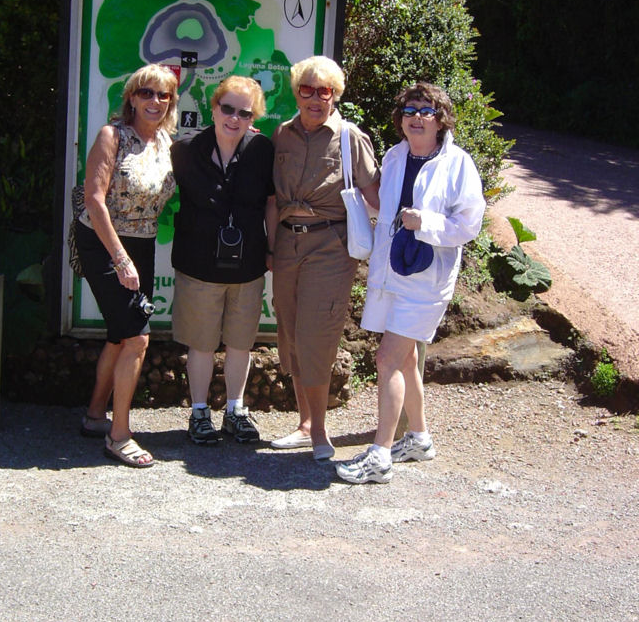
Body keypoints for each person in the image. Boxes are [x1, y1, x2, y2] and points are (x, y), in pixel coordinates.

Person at [336, 82, 485, 485]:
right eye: (410, 110)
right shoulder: (395, 156)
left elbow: (469, 224)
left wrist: (427, 222)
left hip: (426, 281)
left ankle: (380, 455)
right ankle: (418, 439)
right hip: (390, 273)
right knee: (403, 360)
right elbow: (386, 209)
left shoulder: (458, 164)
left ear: (441, 120)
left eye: (426, 111)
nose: (416, 117)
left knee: (387, 359)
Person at [266, 55, 380, 461]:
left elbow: (376, 196)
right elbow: (271, 198)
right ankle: (304, 424)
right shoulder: (282, 135)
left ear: (336, 95)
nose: (316, 98)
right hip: (286, 246)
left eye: (325, 91)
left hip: (330, 247)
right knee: (292, 334)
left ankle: (319, 431)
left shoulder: (350, 138)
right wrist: (270, 248)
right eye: (307, 90)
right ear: (296, 93)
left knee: (316, 336)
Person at [75, 64, 178, 467]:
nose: (155, 101)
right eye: (147, 93)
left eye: (164, 95)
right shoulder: (112, 135)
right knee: (137, 339)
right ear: (132, 97)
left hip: (143, 243)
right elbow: (94, 200)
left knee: (121, 336)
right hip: (104, 242)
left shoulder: (166, 142)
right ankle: (119, 436)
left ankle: (94, 416)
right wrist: (120, 259)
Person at [170, 76, 274, 444]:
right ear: (213, 108)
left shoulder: (262, 150)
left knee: (240, 343)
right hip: (198, 263)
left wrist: (273, 249)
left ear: (253, 117)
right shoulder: (185, 151)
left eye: (244, 112)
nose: (234, 118)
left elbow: (272, 202)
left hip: (247, 264)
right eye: (227, 108)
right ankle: (199, 413)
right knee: (200, 343)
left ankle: (235, 411)